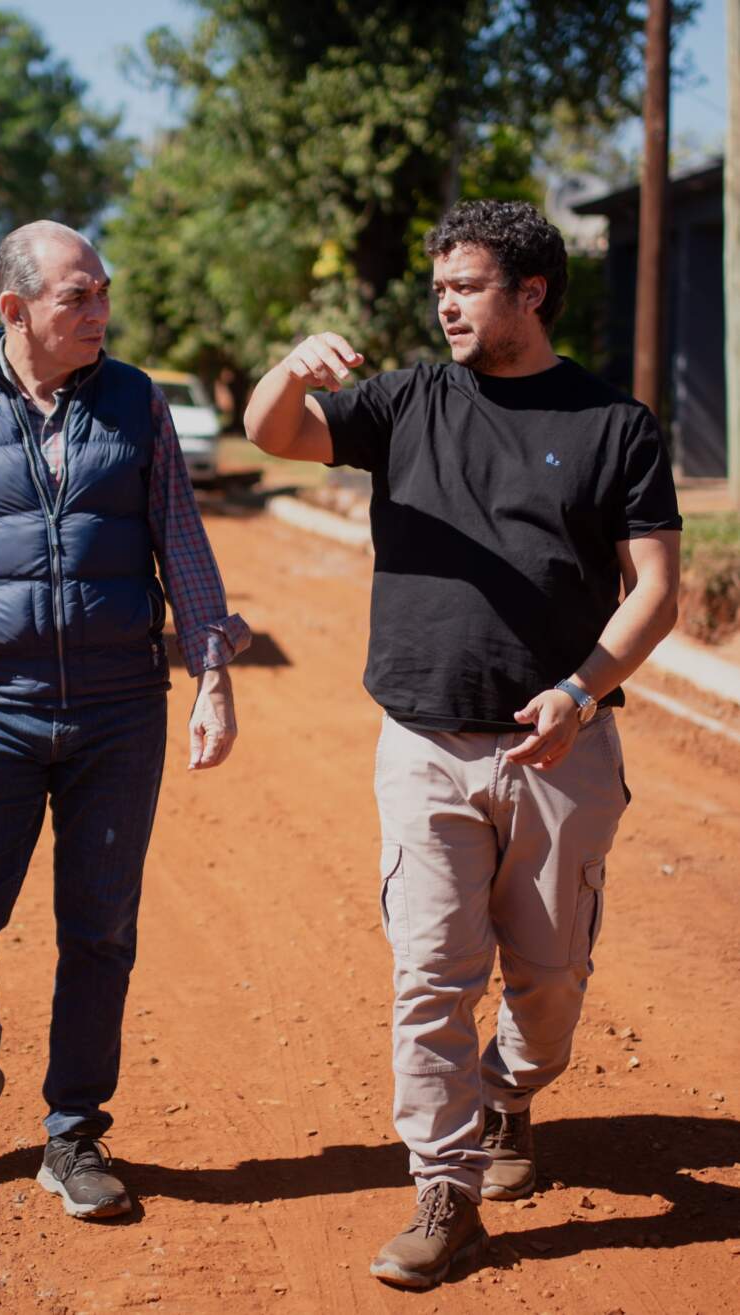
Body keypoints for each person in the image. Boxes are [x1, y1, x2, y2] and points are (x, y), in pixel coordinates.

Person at [245, 200, 680, 1288]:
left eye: (465, 285)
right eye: (436, 284)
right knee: (430, 973)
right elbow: (273, 434)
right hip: (424, 741)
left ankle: (508, 1092)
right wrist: (290, 370)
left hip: (559, 749)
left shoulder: (612, 425)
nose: (442, 301)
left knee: (550, 982)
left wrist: (582, 691)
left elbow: (658, 592)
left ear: (529, 293)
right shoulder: (405, 402)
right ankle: (443, 1188)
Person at [0, 220, 249, 1220]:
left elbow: (181, 546)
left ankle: (73, 1131)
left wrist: (211, 670)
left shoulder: (136, 402)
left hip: (117, 708)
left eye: (103, 290)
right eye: (78, 296)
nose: (99, 311)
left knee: (98, 928)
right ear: (15, 310)